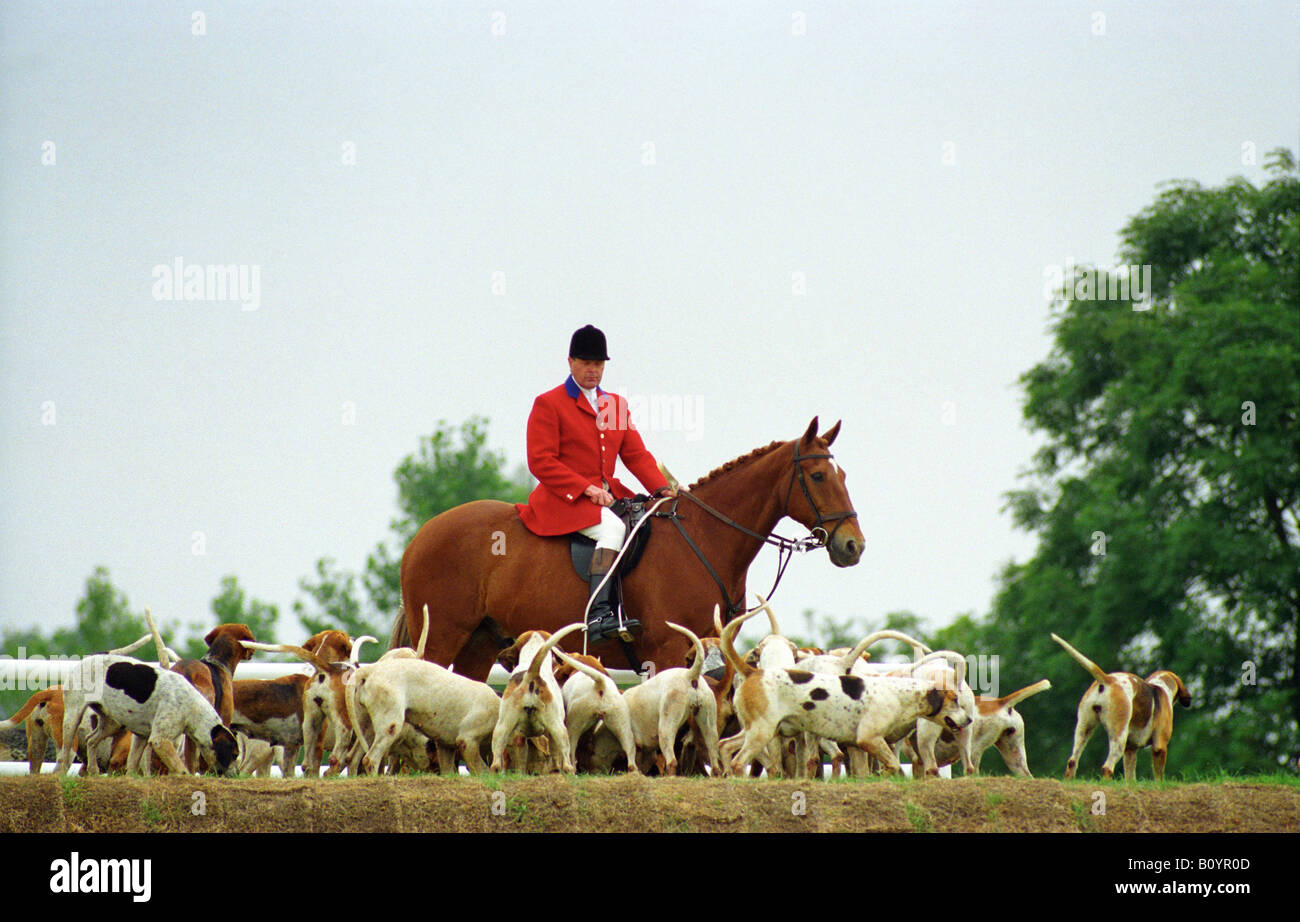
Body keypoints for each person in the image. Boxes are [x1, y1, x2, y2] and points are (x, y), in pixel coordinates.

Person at [516, 325, 675, 642]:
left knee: (652, 523)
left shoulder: (614, 405)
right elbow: (541, 461)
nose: (593, 370)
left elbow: (636, 455)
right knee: (613, 530)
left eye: (599, 364)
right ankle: (599, 613)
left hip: (607, 496)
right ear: (571, 362)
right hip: (565, 500)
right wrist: (585, 488)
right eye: (586, 363)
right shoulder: (549, 403)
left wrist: (663, 489)